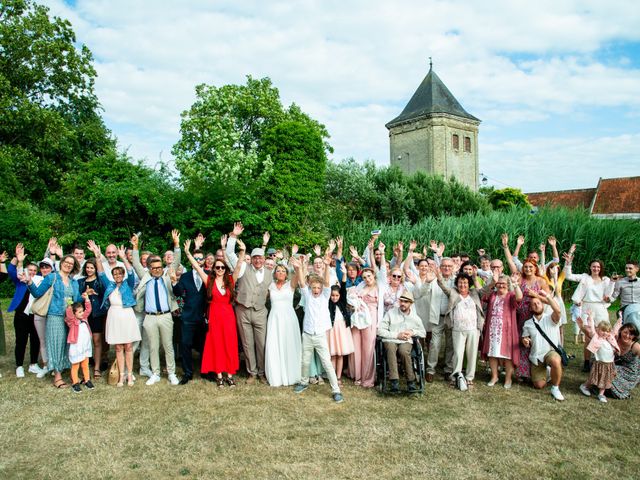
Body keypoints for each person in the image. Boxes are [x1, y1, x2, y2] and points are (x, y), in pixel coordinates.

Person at [184, 239, 239, 387]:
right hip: (214, 316)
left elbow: (239, 267)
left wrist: (243, 252)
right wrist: (188, 252)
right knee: (217, 344)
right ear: (213, 269)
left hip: (228, 317)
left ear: (225, 269)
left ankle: (230, 374)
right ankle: (219, 374)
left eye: (222, 267)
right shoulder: (208, 280)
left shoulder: (230, 281)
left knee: (229, 344)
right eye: (217, 267)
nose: (220, 269)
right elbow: (196, 266)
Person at [291, 250, 344, 403]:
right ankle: (303, 382)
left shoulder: (325, 295)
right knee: (305, 361)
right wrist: (300, 268)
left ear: (321, 289)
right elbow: (301, 283)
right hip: (307, 334)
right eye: (313, 287)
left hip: (320, 335)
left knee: (326, 362)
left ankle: (336, 390)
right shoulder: (307, 295)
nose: (315, 290)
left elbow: (327, 282)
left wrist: (327, 266)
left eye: (318, 288)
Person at [23, 254, 82, 388]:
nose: (68, 264)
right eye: (66, 262)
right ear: (61, 263)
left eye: (71, 263)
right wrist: (29, 282)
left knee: (68, 344)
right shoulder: (52, 277)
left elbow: (77, 300)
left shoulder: (74, 282)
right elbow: (37, 293)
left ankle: (67, 369)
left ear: (74, 267)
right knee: (55, 343)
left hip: (70, 317)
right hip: (55, 315)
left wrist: (85, 297)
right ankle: (57, 376)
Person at [131, 231, 181, 386]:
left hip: (166, 316)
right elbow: (136, 263)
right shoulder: (146, 278)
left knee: (168, 346)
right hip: (150, 317)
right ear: (150, 268)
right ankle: (155, 373)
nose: (157, 270)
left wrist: (176, 245)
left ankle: (172, 373)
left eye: (159, 267)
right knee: (153, 347)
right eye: (154, 268)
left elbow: (176, 262)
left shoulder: (167, 277)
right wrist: (135, 247)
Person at [88, 241, 141, 387]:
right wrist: (97, 257)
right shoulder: (109, 285)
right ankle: (121, 375)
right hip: (114, 316)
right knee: (118, 347)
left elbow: (131, 272)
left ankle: (130, 375)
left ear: (123, 275)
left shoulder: (128, 283)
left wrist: (123, 257)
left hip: (127, 315)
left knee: (128, 346)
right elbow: (100, 273)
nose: (117, 276)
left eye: (120, 273)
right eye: (115, 274)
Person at [225, 223, 272, 383]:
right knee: (247, 343)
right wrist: (233, 236)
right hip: (243, 310)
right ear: (251, 259)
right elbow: (230, 254)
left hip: (260, 312)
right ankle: (251, 372)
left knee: (262, 343)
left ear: (265, 259)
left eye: (260, 257)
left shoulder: (270, 273)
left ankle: (262, 372)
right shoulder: (244, 267)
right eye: (255, 257)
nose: (258, 260)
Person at [404, 242, 455, 382]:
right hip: (437, 318)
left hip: (451, 317)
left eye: (449, 266)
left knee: (450, 345)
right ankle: (430, 369)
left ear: (453, 268)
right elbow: (420, 294)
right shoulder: (433, 279)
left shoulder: (456, 280)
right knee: (434, 345)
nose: (446, 268)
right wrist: (427, 283)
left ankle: (448, 369)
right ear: (440, 267)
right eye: (444, 266)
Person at [564, 248, 614, 372]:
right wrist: (568, 263)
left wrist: (612, 284)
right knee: (588, 336)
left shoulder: (606, 280)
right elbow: (568, 276)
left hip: (601, 308)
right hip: (586, 308)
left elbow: (610, 295)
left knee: (603, 335)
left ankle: (601, 361)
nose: (596, 268)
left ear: (601, 268)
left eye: (598, 267)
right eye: (593, 266)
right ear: (590, 267)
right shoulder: (585, 277)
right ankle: (587, 362)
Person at [437, 270, 486, 388]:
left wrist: (477, 278)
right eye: (460, 282)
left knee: (472, 353)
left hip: (473, 329)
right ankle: (455, 376)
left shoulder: (475, 293)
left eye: (465, 283)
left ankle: (469, 377)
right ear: (456, 284)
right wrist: (439, 275)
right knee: (458, 353)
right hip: (458, 329)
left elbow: (487, 289)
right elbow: (443, 286)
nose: (462, 285)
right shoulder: (453, 293)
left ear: (469, 284)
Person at [347, 242, 387, 388]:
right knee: (356, 345)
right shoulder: (360, 286)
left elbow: (382, 270)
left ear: (373, 276)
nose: (367, 279)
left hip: (372, 318)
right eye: (364, 277)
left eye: (369, 276)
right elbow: (351, 297)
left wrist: (380, 253)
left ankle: (368, 377)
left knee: (368, 347)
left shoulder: (380, 285)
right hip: (359, 317)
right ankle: (356, 375)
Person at [171, 248, 208, 385]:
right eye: (195, 258)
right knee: (185, 345)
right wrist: (174, 282)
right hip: (188, 317)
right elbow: (179, 293)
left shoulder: (208, 274)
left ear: (204, 260)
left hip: (203, 317)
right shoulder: (185, 277)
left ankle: (205, 371)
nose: (198, 261)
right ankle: (187, 373)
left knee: (204, 345)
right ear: (191, 261)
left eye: (200, 258)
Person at [377, 290, 425, 393]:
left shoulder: (414, 317)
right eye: (401, 301)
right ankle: (394, 381)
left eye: (406, 302)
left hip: (405, 341)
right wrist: (396, 335)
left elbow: (423, 332)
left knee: (403, 351)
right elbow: (380, 330)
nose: (403, 304)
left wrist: (412, 332)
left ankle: (410, 381)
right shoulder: (391, 313)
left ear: (411, 303)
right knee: (390, 349)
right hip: (391, 338)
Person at [521, 291, 565, 401]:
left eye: (538, 303)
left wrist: (547, 296)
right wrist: (525, 341)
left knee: (555, 360)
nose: (536, 305)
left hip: (550, 352)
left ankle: (555, 388)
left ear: (543, 305)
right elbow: (524, 338)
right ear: (530, 308)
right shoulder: (528, 323)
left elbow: (558, 310)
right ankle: (549, 373)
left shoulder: (550, 318)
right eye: (533, 304)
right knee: (539, 385)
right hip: (536, 356)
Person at [482, 272, 523, 388]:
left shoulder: (511, 295)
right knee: (493, 353)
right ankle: (494, 376)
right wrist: (492, 282)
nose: (501, 286)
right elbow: (483, 294)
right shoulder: (493, 295)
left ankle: (508, 379)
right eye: (499, 284)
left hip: (507, 329)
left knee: (508, 355)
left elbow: (520, 297)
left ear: (508, 284)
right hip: (492, 329)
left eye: (503, 284)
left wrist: (515, 284)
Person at [264, 263, 302, 387]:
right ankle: (276, 375)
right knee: (274, 344)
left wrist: (298, 266)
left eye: (283, 271)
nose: (280, 273)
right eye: (278, 271)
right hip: (274, 319)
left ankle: (292, 374)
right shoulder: (270, 286)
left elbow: (298, 274)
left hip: (288, 318)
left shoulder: (290, 284)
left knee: (289, 344)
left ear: (286, 274)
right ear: (275, 273)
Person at [7, 244, 42, 377]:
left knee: (35, 340)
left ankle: (33, 364)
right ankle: (19, 365)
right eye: (30, 270)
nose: (32, 272)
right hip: (21, 315)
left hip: (35, 315)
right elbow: (11, 270)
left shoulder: (39, 281)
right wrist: (18, 259)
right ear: (26, 270)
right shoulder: (20, 280)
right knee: (21, 340)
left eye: (34, 270)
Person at [577, 313, 621, 403]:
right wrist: (591, 317)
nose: (605, 333)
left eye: (607, 331)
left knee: (606, 379)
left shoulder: (610, 338)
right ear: (598, 330)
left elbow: (615, 329)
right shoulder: (596, 337)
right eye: (603, 330)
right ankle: (585, 386)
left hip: (609, 364)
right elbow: (592, 328)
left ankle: (601, 394)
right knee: (594, 378)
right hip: (599, 363)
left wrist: (620, 319)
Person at [77, 258, 108, 379]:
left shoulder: (100, 282)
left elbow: (105, 295)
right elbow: (77, 300)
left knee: (97, 341)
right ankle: (82, 366)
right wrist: (84, 295)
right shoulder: (80, 282)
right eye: (87, 267)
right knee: (83, 341)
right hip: (83, 315)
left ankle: (96, 367)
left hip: (96, 314)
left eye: (92, 267)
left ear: (96, 269)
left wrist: (95, 293)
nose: (89, 270)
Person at [327, 264, 354, 386]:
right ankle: (332, 376)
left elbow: (343, 287)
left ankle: (338, 377)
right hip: (332, 329)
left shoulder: (342, 301)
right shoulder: (328, 304)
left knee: (340, 354)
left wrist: (344, 274)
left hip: (342, 329)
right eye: (332, 295)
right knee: (333, 354)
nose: (334, 297)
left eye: (336, 295)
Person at [64, 297, 95, 393]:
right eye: (79, 312)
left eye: (82, 311)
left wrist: (87, 299)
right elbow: (69, 315)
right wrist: (69, 306)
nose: (82, 313)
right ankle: (75, 382)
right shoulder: (72, 321)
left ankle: (87, 380)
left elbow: (88, 309)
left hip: (85, 346)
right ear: (74, 313)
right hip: (76, 346)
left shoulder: (84, 318)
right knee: (75, 364)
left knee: (85, 363)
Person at [609, 322, 640, 399]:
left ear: (634, 336)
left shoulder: (635, 346)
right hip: (616, 367)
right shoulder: (615, 340)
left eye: (631, 334)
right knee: (605, 370)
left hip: (630, 372)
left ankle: (616, 391)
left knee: (609, 375)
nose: (627, 336)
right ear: (620, 331)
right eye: (625, 332)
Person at [608, 261, 640, 332]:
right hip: (624, 308)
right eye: (626, 268)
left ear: (637, 269)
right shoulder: (620, 282)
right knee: (624, 331)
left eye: (630, 268)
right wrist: (608, 299)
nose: (627, 270)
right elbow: (614, 296)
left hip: (638, 308)